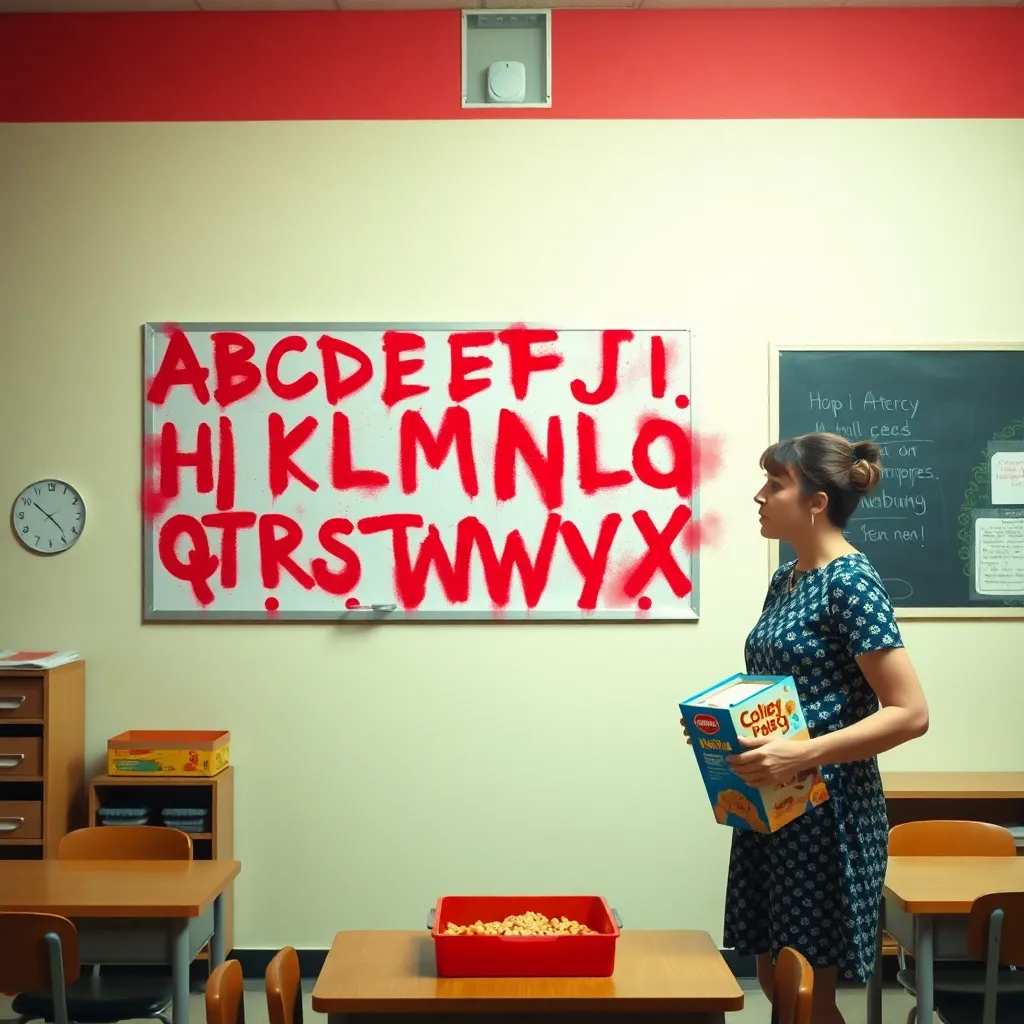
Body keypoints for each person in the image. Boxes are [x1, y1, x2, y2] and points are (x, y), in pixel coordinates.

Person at [682, 432, 929, 1024]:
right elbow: (785, 694)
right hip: (774, 804)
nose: (760, 496)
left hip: (827, 810)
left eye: (776, 484)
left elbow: (910, 711)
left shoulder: (851, 580)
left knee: (805, 994)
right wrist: (724, 731)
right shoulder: (788, 579)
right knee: (778, 982)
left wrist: (800, 753)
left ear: (816, 501)